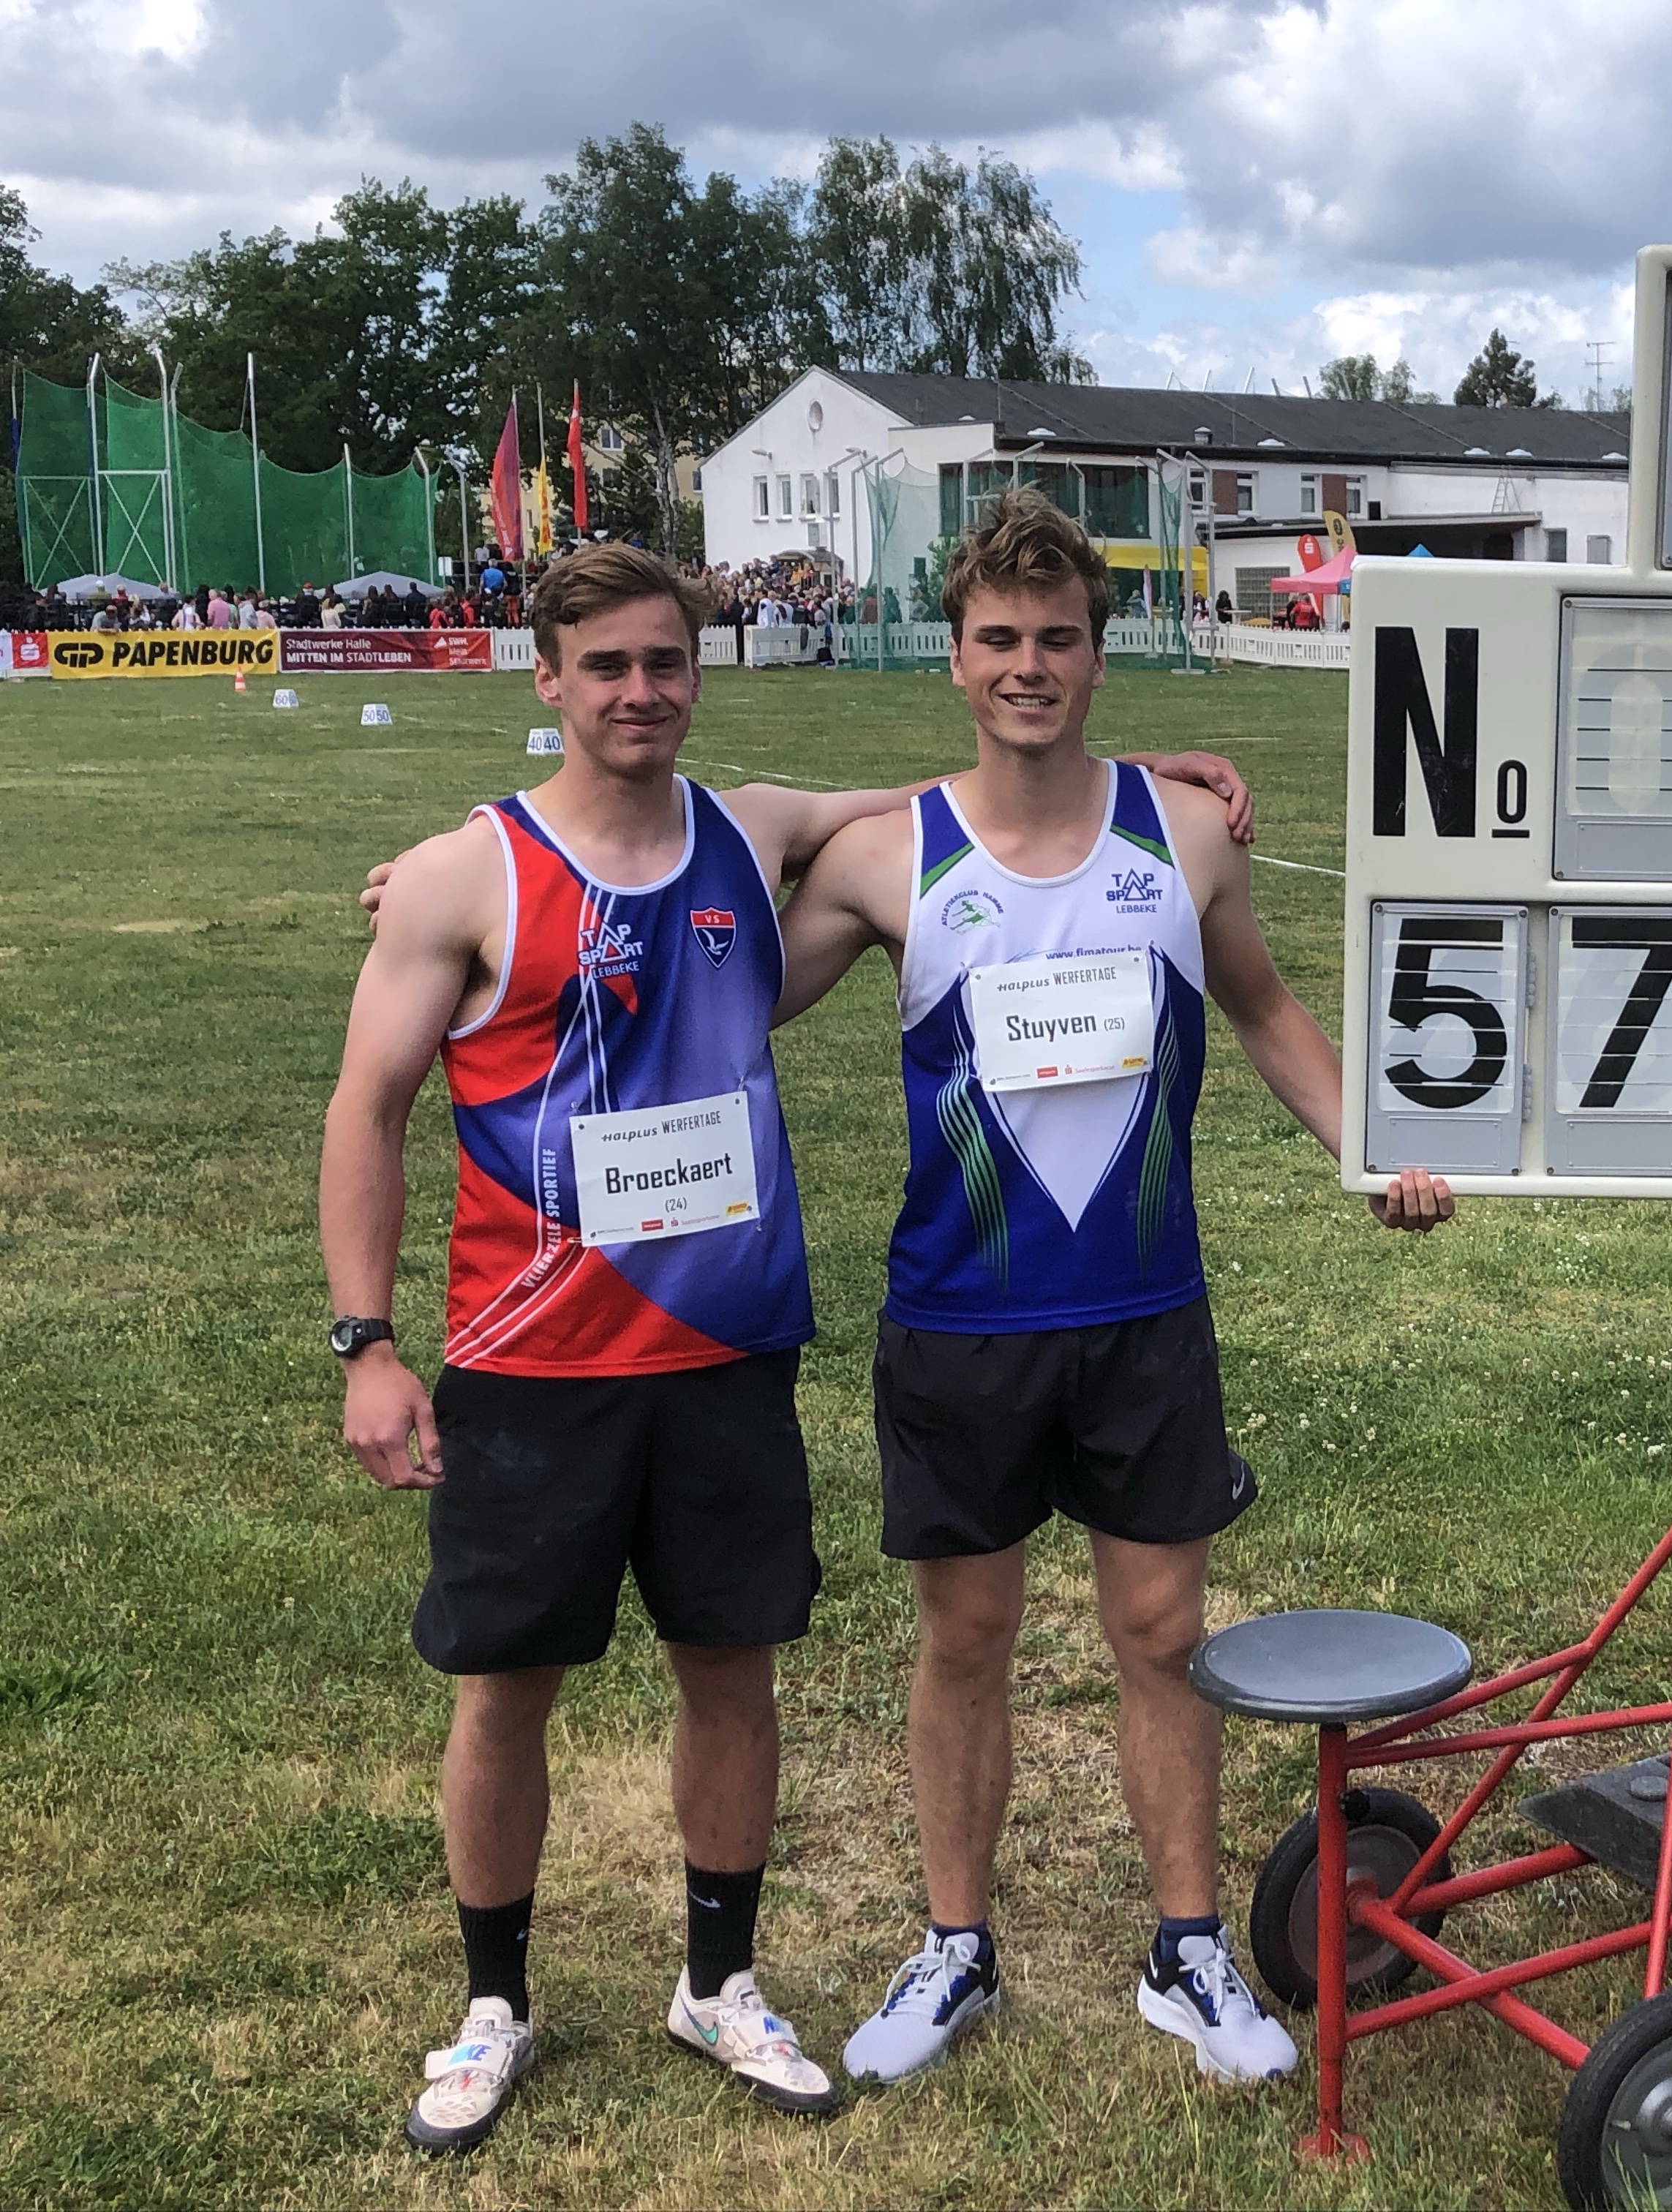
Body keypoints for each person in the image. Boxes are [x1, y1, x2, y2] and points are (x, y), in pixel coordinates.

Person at [324, 541, 1262, 2156]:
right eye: (605, 666)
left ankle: (721, 1984)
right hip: (531, 1353)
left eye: (664, 662)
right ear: (544, 678)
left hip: (726, 1351)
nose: (639, 691)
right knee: (506, 1688)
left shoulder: (752, 827)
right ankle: (491, 2006)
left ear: (700, 672)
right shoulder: (463, 876)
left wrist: (1143, 768)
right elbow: (367, 1107)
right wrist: (367, 1342)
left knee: (731, 1674)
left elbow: (949, 797)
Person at [769, 489, 1452, 2094]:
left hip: (1144, 1310)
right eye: (1000, 640)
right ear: (954, 657)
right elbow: (717, 978)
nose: (1030, 666)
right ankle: (954, 1946)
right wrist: (468, 886)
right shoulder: (883, 854)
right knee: (967, 1638)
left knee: (1161, 1631)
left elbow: (1267, 1011)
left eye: (1058, 639)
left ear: (1098, 652)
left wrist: (1369, 1154)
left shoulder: (1185, 835)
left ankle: (1187, 1950)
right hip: (960, 1319)